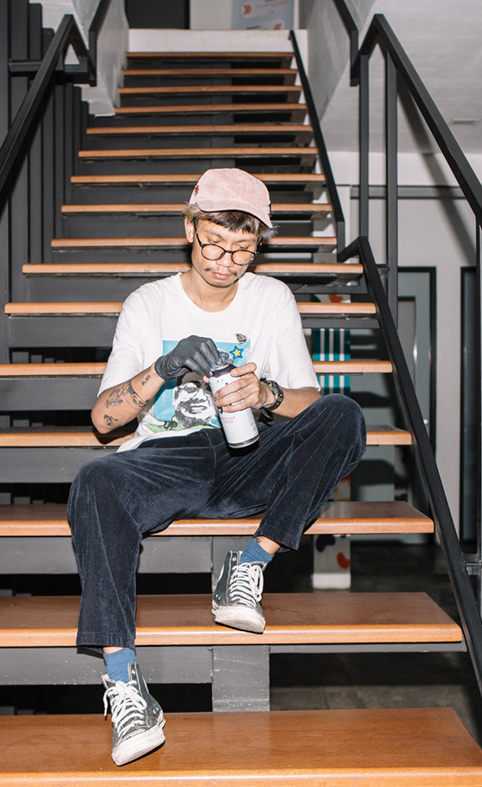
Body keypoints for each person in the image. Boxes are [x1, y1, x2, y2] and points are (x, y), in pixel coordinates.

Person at [67, 168, 367, 766]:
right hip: (167, 459)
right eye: (213, 244)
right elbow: (103, 420)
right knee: (95, 479)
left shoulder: (271, 298)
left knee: (344, 413)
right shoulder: (149, 303)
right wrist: (165, 366)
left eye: (242, 249)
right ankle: (124, 683)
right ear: (189, 228)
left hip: (248, 456)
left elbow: (309, 401)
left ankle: (251, 562)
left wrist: (266, 394)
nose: (226, 262)